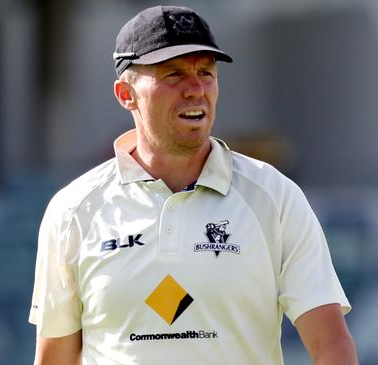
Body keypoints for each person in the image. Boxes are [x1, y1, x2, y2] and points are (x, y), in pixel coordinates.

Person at [29, 5, 357, 365]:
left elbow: (331, 345)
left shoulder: (275, 196)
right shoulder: (74, 209)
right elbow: (55, 358)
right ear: (126, 94)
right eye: (173, 74)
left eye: (206, 72)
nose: (196, 89)